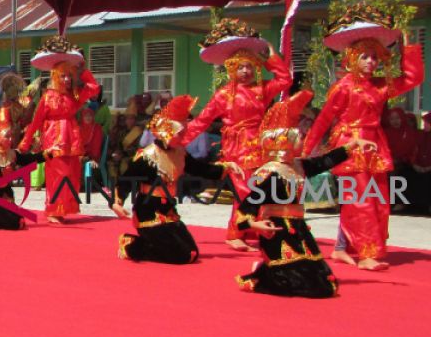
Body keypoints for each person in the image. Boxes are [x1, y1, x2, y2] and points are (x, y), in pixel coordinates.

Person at [303, 22, 423, 270]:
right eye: (365, 57)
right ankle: (366, 253)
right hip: (350, 145)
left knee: (378, 199)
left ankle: (340, 248)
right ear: (352, 59)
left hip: (375, 146)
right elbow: (324, 118)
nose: (371, 62)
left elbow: (413, 77)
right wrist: (305, 151)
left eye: (375, 57)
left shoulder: (379, 85)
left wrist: (408, 45)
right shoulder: (343, 86)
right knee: (362, 199)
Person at [235, 90, 376, 298]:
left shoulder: (299, 166)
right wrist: (255, 225)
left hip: (300, 231)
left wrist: (353, 145)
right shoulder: (270, 174)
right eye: (299, 136)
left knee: (325, 285)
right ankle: (262, 275)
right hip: (277, 232)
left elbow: (325, 161)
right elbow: (246, 209)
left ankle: (266, 270)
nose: (303, 139)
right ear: (285, 143)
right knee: (299, 284)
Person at [175, 22, 291, 251]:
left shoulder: (262, 89)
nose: (246, 72)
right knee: (244, 191)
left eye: (249, 67)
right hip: (236, 148)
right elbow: (202, 121)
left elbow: (285, 80)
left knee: (259, 189)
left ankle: (251, 229)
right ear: (231, 69)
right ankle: (235, 232)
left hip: (260, 145)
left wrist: (270, 57)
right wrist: (177, 142)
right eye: (240, 67)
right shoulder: (224, 95)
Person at [111, 96, 237, 264]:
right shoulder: (148, 156)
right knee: (180, 255)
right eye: (179, 134)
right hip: (148, 212)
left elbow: (200, 169)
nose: (183, 137)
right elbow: (126, 180)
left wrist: (227, 167)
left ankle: (147, 244)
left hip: (168, 211)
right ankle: (131, 244)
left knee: (191, 253)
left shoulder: (180, 153)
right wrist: (116, 202)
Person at [17, 38, 100, 223]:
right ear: (55, 76)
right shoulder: (48, 97)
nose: (67, 79)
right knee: (57, 174)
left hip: (72, 138)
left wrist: (82, 69)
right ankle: (54, 210)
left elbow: (94, 89)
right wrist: (26, 142)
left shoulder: (75, 96)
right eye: (63, 76)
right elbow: (36, 120)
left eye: (69, 75)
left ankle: (65, 209)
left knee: (71, 173)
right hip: (54, 138)